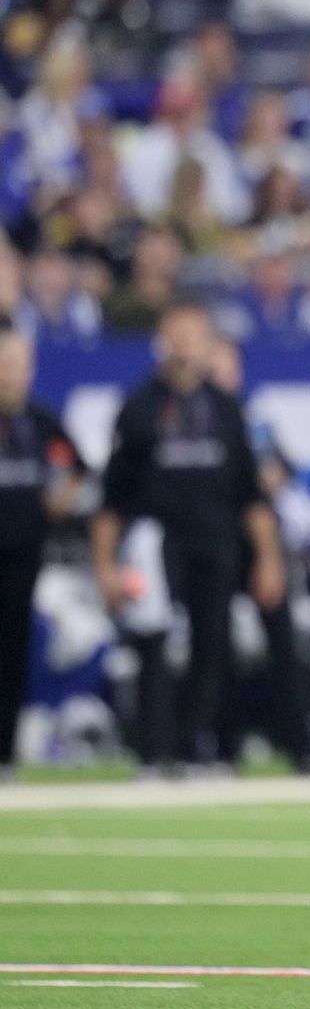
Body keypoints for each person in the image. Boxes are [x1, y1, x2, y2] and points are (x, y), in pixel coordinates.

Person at [92, 302, 285, 769]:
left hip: (216, 539)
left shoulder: (227, 409)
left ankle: (199, 746)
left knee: (213, 644)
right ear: (162, 337)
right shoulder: (138, 406)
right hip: (155, 542)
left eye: (193, 333)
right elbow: (112, 497)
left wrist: (269, 558)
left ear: (208, 342)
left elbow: (252, 496)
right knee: (153, 644)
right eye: (175, 332)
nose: (183, 342)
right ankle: (155, 752)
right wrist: (105, 565)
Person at [0, 330, 84, 776]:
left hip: (22, 550)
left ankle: (5, 754)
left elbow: (77, 468)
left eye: (21, 364)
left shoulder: (41, 419)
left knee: (13, 650)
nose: (13, 374)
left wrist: (59, 499)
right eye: (6, 363)